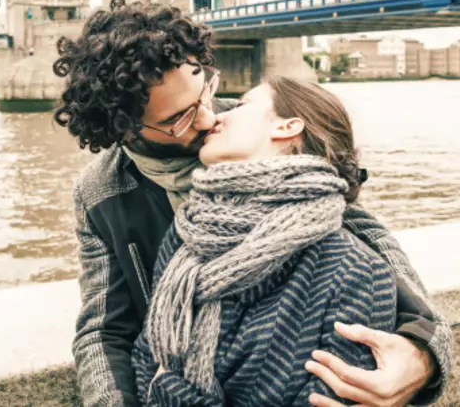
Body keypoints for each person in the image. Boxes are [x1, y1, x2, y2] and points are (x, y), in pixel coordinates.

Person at [53, 0, 452, 407]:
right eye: (180, 118)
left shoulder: (246, 135)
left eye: (205, 89)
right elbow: (106, 330)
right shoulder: (100, 191)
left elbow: (361, 236)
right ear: (124, 128)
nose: (208, 119)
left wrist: (424, 355)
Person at [133, 75, 397, 406]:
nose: (217, 116)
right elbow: (146, 354)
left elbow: (157, 378)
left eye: (243, 104)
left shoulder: (355, 271)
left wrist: (167, 390)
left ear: (287, 127)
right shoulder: (188, 232)